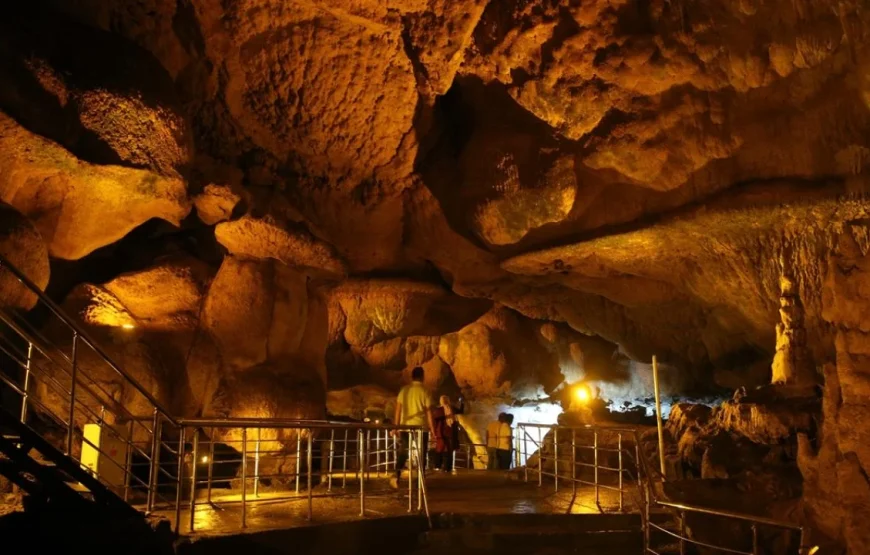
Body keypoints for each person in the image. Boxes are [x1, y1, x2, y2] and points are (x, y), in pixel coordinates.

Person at [391, 366, 432, 488]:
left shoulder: (404, 390)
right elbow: (428, 412)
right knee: (422, 453)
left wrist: (396, 427)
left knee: (403, 451)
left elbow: (398, 410)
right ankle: (420, 478)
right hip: (420, 427)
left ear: (412, 376)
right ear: (422, 376)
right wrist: (433, 429)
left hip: (405, 426)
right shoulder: (425, 391)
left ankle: (396, 475)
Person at [431, 394, 464, 473]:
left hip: (441, 433)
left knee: (439, 449)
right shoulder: (452, 408)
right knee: (449, 450)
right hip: (450, 432)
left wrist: (433, 431)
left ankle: (437, 466)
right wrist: (462, 403)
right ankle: (447, 467)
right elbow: (461, 411)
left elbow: (434, 421)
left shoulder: (438, 410)